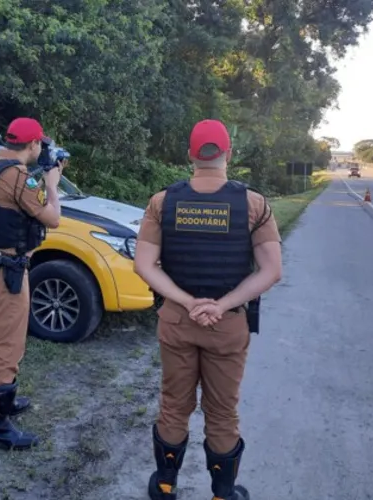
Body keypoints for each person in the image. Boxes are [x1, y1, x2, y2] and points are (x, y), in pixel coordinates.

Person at [133, 119, 283, 500]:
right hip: (227, 325)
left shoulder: (162, 201)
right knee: (221, 413)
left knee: (173, 406)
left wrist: (186, 302)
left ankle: (165, 487)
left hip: (177, 321)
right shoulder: (253, 204)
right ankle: (222, 494)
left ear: (190, 156)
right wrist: (222, 305)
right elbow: (271, 270)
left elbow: (145, 265)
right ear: (228, 154)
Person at [0, 117, 64, 451]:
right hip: (3, 272)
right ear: (33, 144)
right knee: (7, 347)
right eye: (40, 145)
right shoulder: (17, 176)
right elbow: (52, 217)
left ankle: (4, 403)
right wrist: (51, 182)